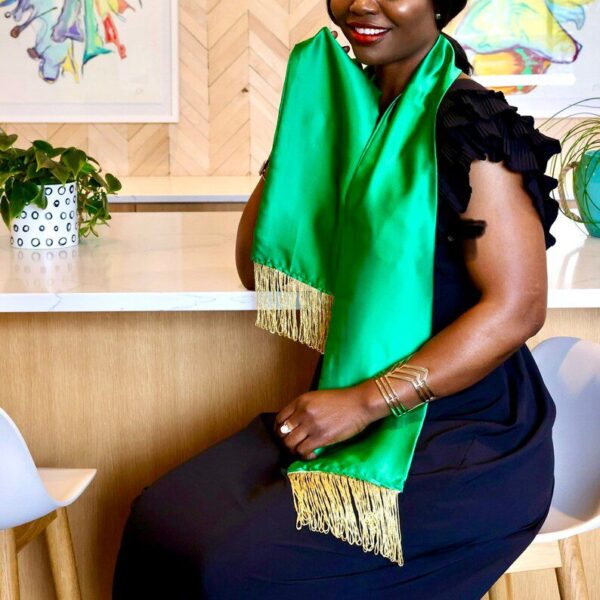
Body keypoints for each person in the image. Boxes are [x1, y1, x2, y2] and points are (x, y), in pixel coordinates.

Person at [112, 1, 562, 598]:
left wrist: (364, 402)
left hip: (462, 438)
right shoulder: (345, 106)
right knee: (158, 519)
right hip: (341, 406)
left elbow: (518, 308)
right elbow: (258, 269)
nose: (360, 3)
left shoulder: (466, 121)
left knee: (232, 568)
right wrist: (305, 131)